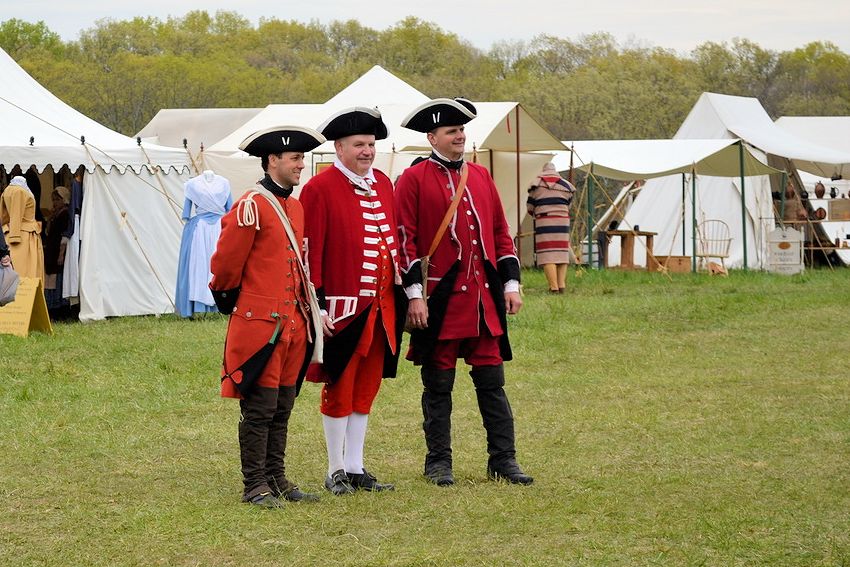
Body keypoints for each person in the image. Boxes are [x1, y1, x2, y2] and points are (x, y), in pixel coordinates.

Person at [395, 97, 533, 486]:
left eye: (461, 130)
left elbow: (500, 232)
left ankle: (503, 459)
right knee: (438, 384)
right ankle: (438, 462)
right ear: (432, 136)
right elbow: (404, 239)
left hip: (482, 301)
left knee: (493, 383)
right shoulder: (413, 179)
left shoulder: (481, 176)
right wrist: (414, 294)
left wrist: (510, 283)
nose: (460, 136)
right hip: (440, 300)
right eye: (451, 131)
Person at [209, 125, 325, 508]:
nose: (301, 165)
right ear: (272, 160)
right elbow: (226, 264)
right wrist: (230, 300)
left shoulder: (296, 205)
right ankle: (254, 484)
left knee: (283, 406)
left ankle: (276, 477)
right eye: (295, 159)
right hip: (261, 324)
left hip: (294, 324)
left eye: (302, 159)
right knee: (259, 409)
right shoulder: (250, 205)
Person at [300, 107, 403, 495]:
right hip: (343, 309)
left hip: (382, 307)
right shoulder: (319, 188)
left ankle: (357, 466)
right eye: (359, 145)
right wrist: (319, 306)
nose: (367, 152)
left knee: (367, 387)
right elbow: (312, 252)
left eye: (372, 144)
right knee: (340, 385)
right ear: (339, 148)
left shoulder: (384, 183)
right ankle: (334, 469)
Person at [176, 169, 232, 317]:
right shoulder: (192, 184)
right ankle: (199, 303)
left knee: (217, 264)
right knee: (199, 264)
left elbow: (230, 209)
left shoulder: (224, 183)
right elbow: (230, 210)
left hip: (217, 227)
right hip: (201, 229)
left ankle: (220, 303)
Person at [527, 162, 575, 293]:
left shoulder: (536, 185)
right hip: (562, 221)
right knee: (561, 252)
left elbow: (530, 207)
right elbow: (569, 204)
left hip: (544, 222)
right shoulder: (566, 186)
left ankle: (553, 287)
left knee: (547, 254)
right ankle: (561, 285)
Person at [0, 175, 45, 282]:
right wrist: (15, 236)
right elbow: (16, 213)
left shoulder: (7, 191)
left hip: (11, 233)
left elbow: (3, 216)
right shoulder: (18, 191)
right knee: (25, 270)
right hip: (22, 238)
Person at [43, 186, 71, 318]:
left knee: (57, 280)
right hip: (51, 251)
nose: (55, 202)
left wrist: (61, 254)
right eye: (53, 200)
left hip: (57, 252)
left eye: (57, 200)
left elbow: (64, 237)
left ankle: (58, 309)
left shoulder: (65, 214)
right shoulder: (56, 214)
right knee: (51, 279)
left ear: (64, 199)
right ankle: (52, 308)